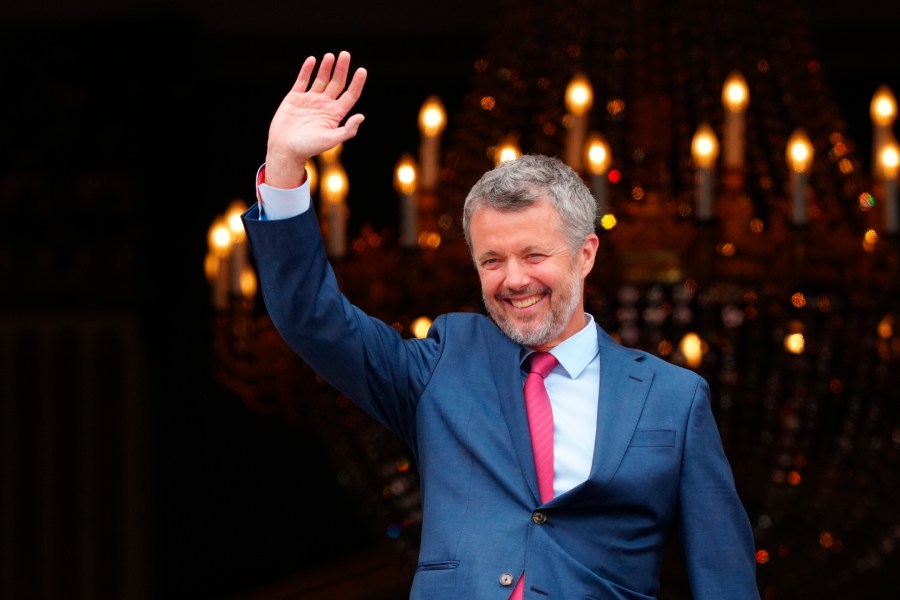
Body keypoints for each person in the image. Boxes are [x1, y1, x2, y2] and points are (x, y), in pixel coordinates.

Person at [241, 51, 760, 599]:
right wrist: (283, 167)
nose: (514, 280)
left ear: (585, 254)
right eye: (492, 261)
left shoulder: (673, 398)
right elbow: (310, 319)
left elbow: (723, 573)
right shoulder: (442, 363)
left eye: (533, 255)